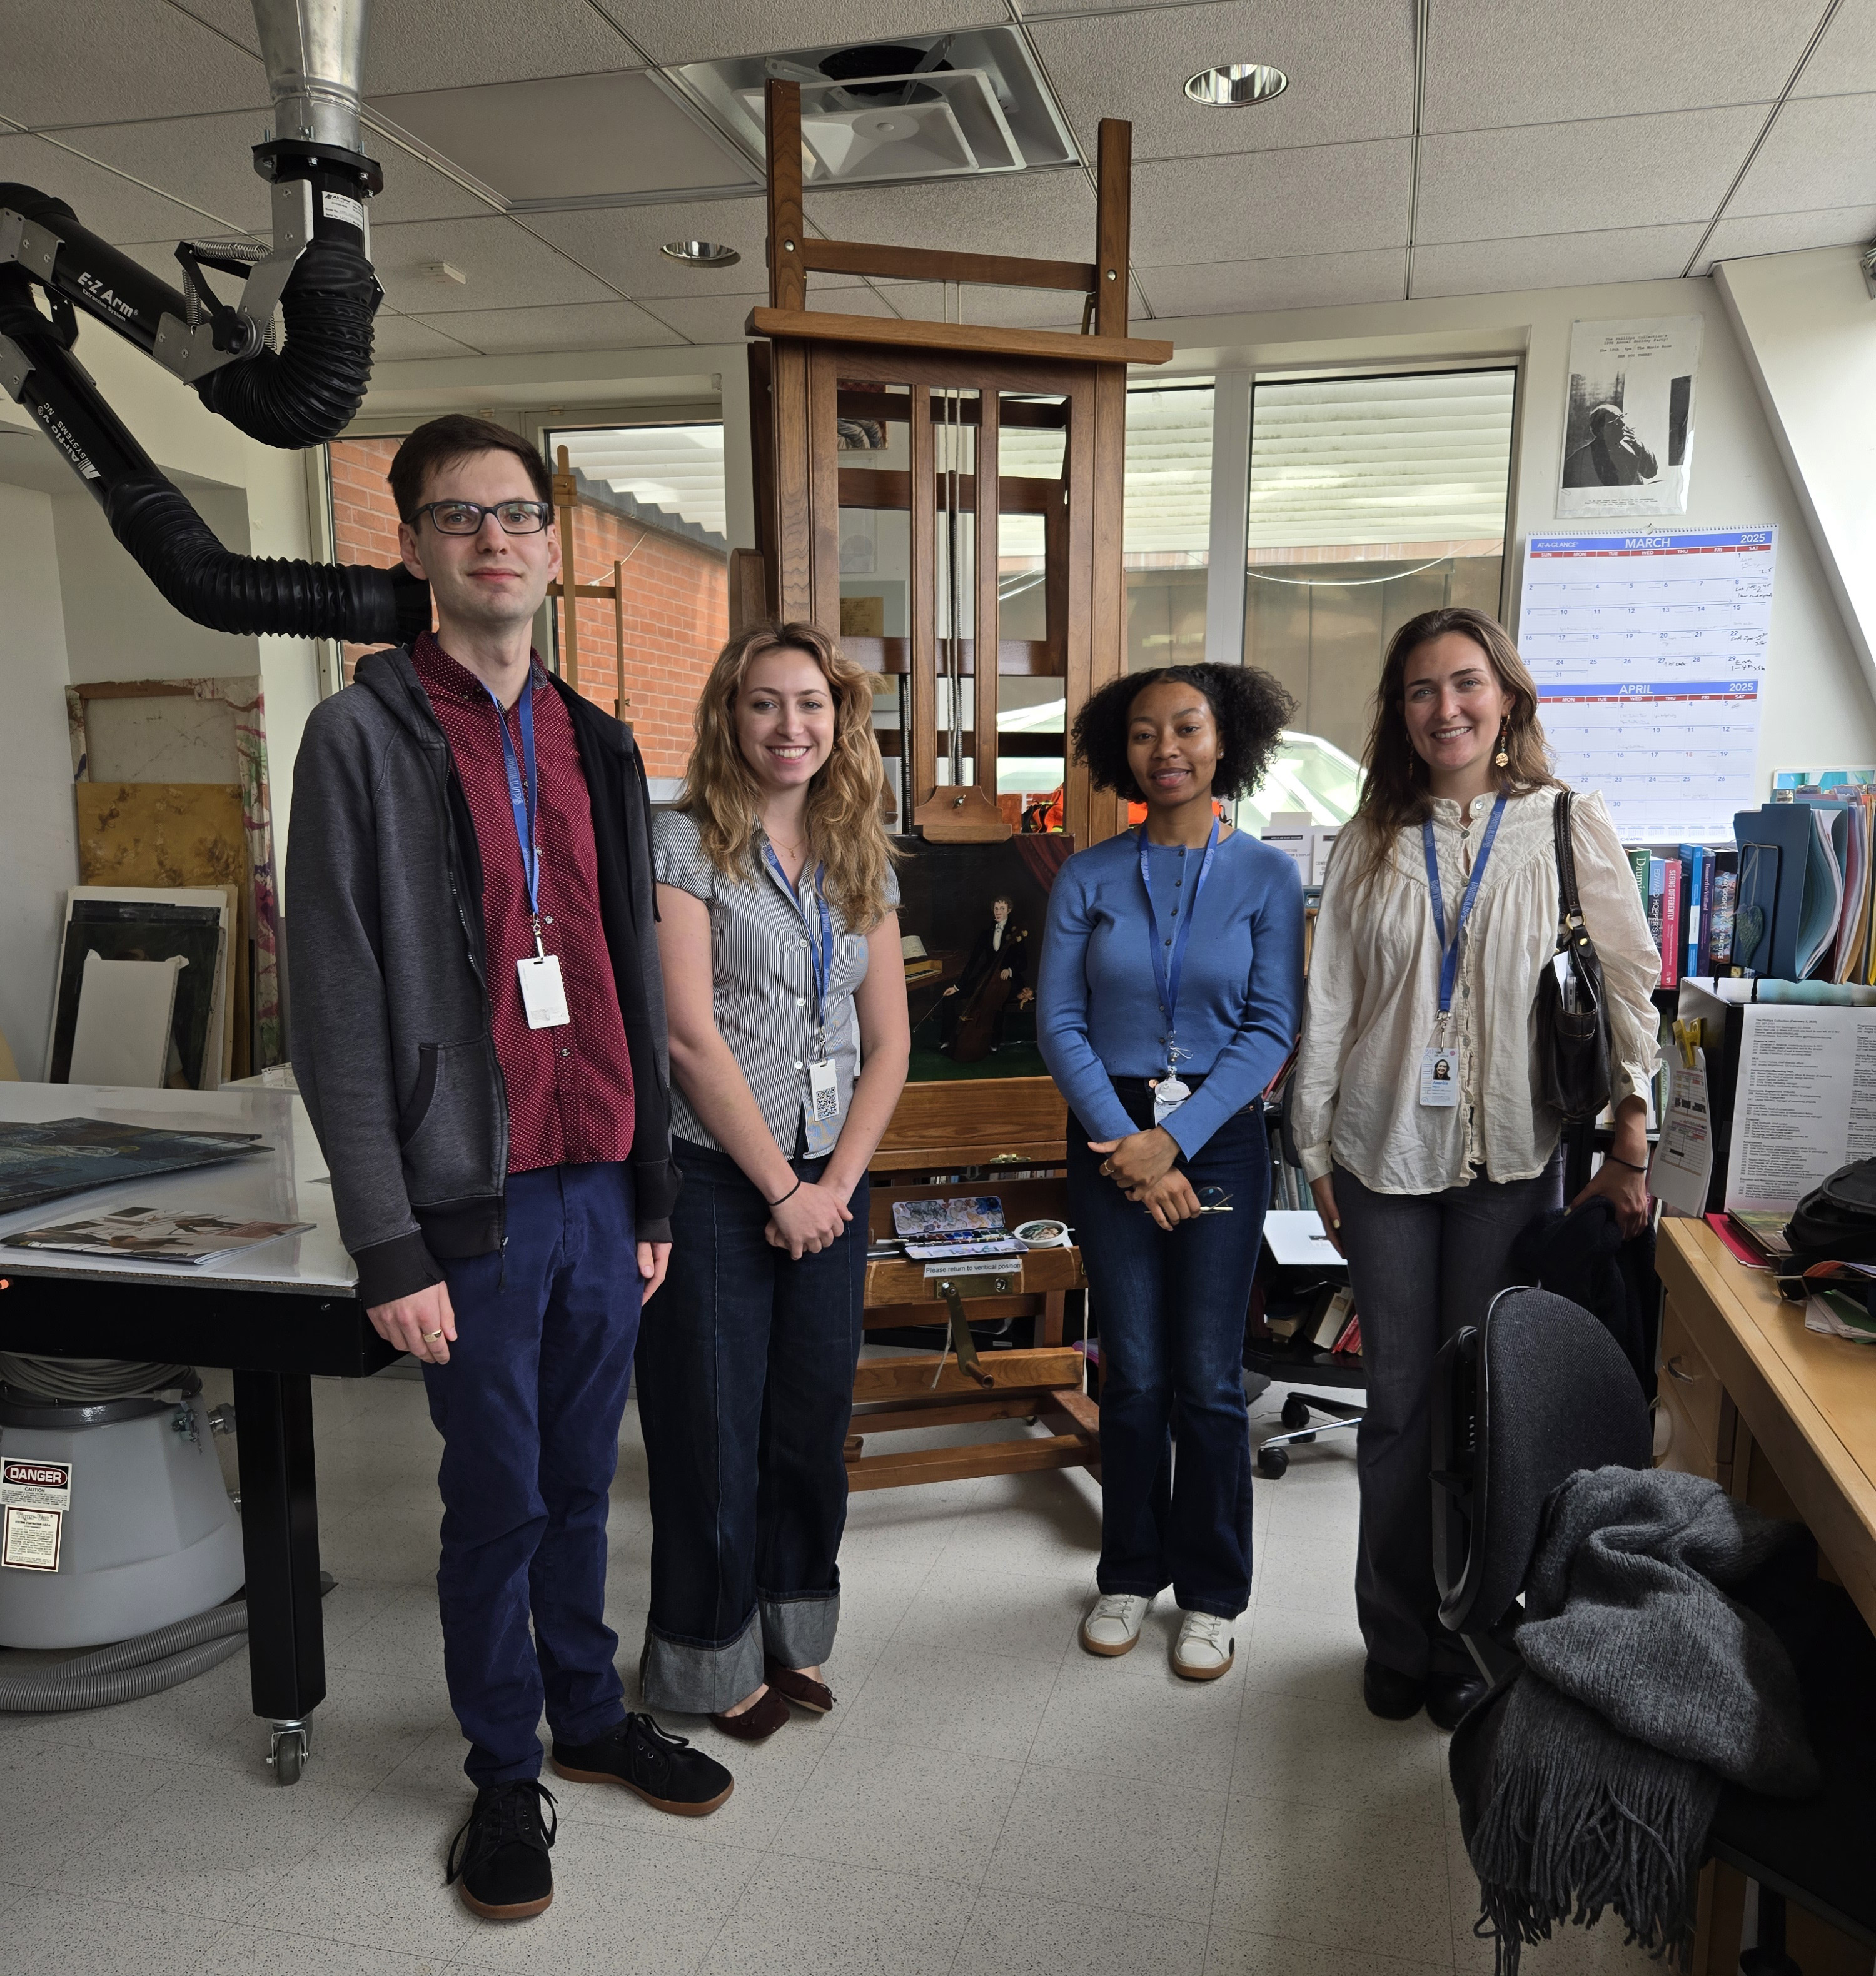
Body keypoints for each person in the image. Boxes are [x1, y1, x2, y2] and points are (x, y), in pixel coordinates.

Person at [286, 414, 731, 1925]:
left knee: (582, 1480)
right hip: (465, 1199)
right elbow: (335, 1003)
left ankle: (588, 1714)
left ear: (551, 544)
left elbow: (624, 978)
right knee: (497, 1495)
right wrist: (387, 1243)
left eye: (517, 514)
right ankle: (501, 1765)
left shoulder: (596, 739)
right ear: (413, 545)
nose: (492, 539)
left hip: (599, 1180)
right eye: (458, 515)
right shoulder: (359, 738)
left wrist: (652, 1189)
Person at [1292, 605, 1660, 1731]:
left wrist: (1633, 1138)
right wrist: (1313, 1149)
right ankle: (1396, 1637)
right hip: (1382, 1154)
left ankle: (1472, 1634)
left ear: (1506, 698)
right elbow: (1330, 1003)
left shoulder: (1567, 825)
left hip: (1512, 1153)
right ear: (1399, 713)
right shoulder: (1367, 840)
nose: (1444, 707)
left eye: (1465, 684)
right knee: (1400, 1408)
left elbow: (1627, 985)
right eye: (1421, 690)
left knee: (1484, 1412)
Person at [639, 621, 910, 1740]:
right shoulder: (682, 845)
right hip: (715, 1181)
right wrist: (782, 1192)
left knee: (809, 1423)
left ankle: (790, 1632)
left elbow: (888, 1043)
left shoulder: (860, 852)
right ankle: (706, 1659)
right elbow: (687, 1039)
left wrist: (833, 1184)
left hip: (830, 1183)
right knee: (710, 1431)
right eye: (764, 702)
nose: (789, 726)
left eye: (811, 704)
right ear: (729, 715)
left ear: (840, 720)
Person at [1037, 662, 1304, 1679]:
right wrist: (1128, 1143)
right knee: (1136, 1373)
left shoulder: (1268, 876)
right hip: (1108, 1125)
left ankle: (1213, 1592)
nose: (1167, 749)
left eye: (1187, 728)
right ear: (1123, 751)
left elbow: (1270, 1024)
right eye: (1145, 732)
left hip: (1219, 1131)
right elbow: (1059, 1022)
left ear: (1225, 740)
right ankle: (1128, 1572)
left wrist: (1175, 1143)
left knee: (1208, 1381)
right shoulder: (1089, 875)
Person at [939, 893, 1032, 1053]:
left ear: (1009, 910)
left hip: (1009, 979)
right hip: (986, 976)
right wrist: (957, 986)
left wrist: (1010, 970)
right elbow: (973, 961)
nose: (998, 912)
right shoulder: (986, 933)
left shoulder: (1016, 933)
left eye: (1002, 908)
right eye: (996, 908)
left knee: (997, 998)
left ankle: (995, 1041)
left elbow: (1024, 963)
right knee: (949, 998)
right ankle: (947, 1039)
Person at [1563, 402, 1657, 487]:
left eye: (1622, 418)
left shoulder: (1633, 446)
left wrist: (1641, 449)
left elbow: (1650, 473)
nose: (1623, 424)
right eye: (1615, 421)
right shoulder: (1579, 459)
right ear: (1601, 430)